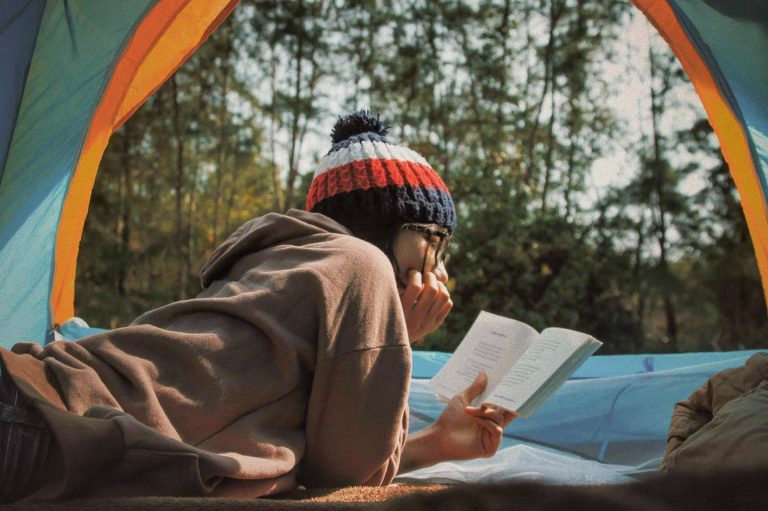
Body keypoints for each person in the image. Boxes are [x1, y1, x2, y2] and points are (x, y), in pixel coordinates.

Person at [0, 110, 515, 502]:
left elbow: (320, 452)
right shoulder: (362, 265)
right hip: (44, 422)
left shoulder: (289, 264)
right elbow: (349, 479)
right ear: (386, 229)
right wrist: (399, 333)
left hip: (32, 403)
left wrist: (435, 442)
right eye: (435, 241)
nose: (442, 268)